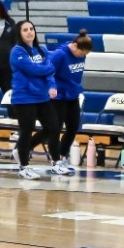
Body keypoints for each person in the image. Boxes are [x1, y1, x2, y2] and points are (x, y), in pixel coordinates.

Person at [9, 19, 63, 179]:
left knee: (52, 127)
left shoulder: (42, 50)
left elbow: (49, 73)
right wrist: (48, 68)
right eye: (25, 30)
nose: (29, 32)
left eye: (31, 29)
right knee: (26, 130)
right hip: (24, 97)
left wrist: (52, 86)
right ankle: (24, 166)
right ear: (19, 33)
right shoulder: (17, 51)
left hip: (42, 97)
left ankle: (20, 150)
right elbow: (32, 70)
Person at [47, 30, 93, 172]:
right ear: (74, 46)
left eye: (85, 55)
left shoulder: (82, 55)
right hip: (58, 96)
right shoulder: (60, 54)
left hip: (73, 95)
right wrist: (52, 87)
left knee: (73, 127)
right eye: (81, 53)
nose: (82, 56)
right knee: (56, 128)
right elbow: (48, 71)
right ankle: (55, 159)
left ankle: (62, 154)